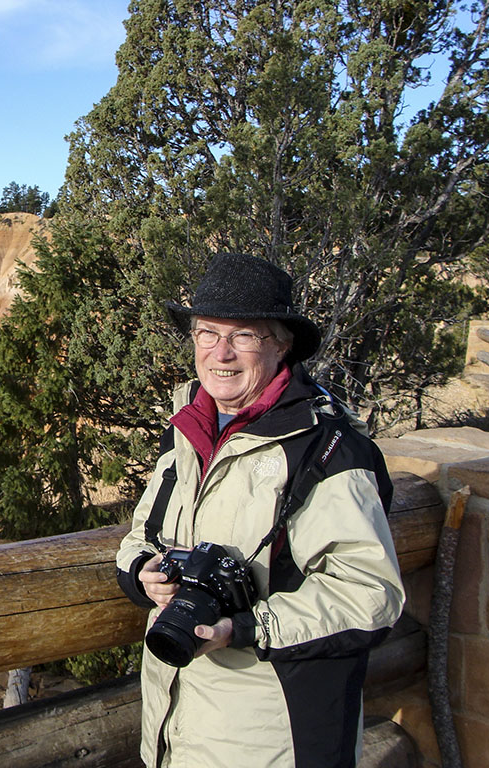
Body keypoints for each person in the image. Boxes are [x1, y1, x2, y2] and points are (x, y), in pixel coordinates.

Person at [115, 253, 405, 768]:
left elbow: (369, 595)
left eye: (244, 335)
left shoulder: (325, 451)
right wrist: (145, 573)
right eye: (207, 332)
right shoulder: (188, 431)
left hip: (276, 738)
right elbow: (143, 535)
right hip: (179, 729)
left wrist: (245, 628)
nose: (220, 352)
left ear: (282, 345)